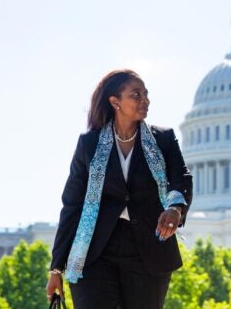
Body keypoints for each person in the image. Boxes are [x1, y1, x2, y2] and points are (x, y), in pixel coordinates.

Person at [46, 69, 193, 308]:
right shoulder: (89, 144)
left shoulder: (164, 139)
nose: (145, 100)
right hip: (95, 251)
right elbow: (72, 205)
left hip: (148, 250)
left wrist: (175, 208)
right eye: (136, 94)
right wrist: (56, 268)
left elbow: (181, 179)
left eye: (146, 94)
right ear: (115, 101)